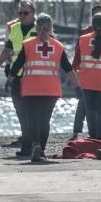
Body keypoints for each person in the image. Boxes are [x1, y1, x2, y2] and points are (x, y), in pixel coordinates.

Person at [9, 14, 76, 162]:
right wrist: (78, 84)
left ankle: (35, 144)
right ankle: (41, 150)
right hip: (50, 90)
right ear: (51, 29)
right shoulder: (58, 46)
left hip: (31, 89)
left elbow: (16, 66)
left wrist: (10, 78)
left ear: (36, 28)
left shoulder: (28, 44)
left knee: (33, 118)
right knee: (45, 120)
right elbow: (68, 67)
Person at [0, 0, 37, 155]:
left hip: (33, 76)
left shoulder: (39, 29)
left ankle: (34, 143)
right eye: (20, 13)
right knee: (20, 111)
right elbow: (7, 50)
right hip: (16, 75)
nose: (22, 16)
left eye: (26, 13)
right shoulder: (15, 29)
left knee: (32, 111)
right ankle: (26, 145)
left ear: (33, 13)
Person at [71, 2, 101, 139]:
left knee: (99, 108)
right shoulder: (85, 33)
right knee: (84, 106)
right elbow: (78, 52)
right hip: (87, 76)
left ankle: (99, 134)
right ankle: (79, 131)